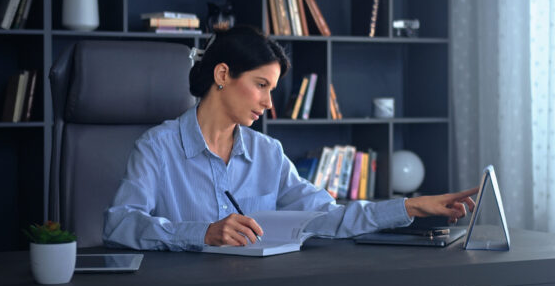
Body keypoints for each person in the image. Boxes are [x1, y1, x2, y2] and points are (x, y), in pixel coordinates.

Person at [103, 26, 477, 251]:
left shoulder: (267, 153)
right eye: (261, 85)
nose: (268, 102)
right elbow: (119, 225)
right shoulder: (157, 146)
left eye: (272, 89)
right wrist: (203, 233)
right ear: (222, 74)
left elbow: (327, 217)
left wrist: (411, 207)